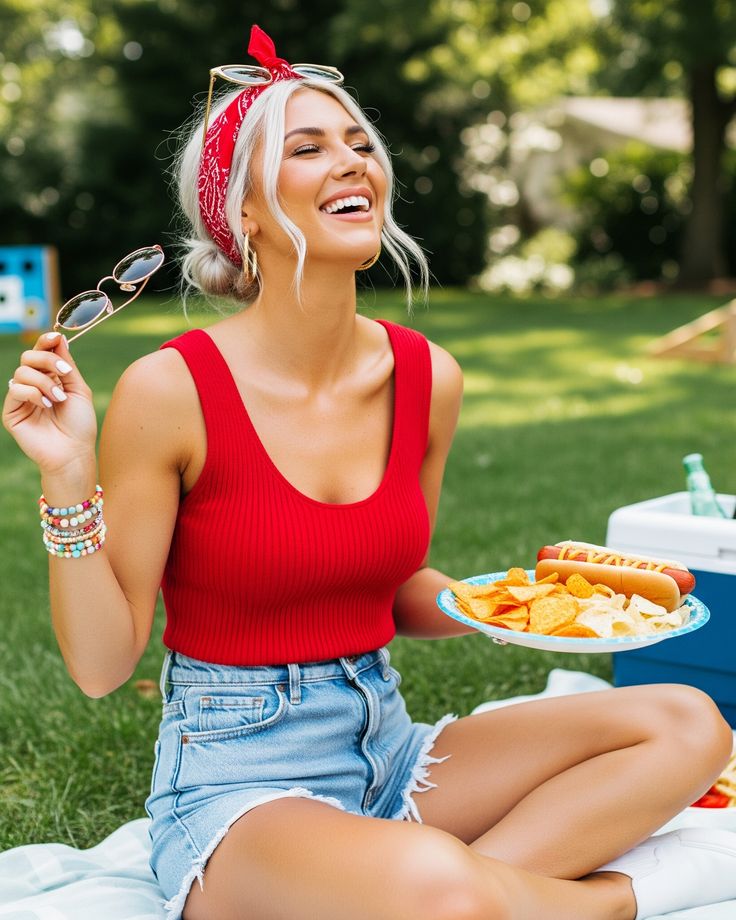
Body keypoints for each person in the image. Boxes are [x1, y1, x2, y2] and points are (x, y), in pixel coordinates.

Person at [3, 23, 736, 920]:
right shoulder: (172, 389)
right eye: (308, 149)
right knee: (438, 887)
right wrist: (67, 473)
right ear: (244, 215)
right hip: (240, 786)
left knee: (688, 725)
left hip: (392, 750)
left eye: (360, 144)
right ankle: (605, 901)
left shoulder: (429, 377)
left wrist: (506, 605)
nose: (352, 162)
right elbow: (101, 665)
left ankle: (469, 900)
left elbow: (390, 593)